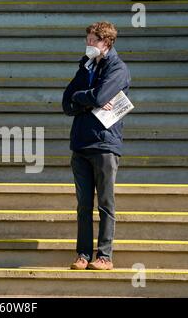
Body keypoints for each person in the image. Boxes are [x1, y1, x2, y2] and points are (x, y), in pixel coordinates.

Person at [62, 22, 131, 270]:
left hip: (104, 143)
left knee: (105, 202)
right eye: (87, 40)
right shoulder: (86, 65)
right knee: (83, 204)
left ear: (106, 42)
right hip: (80, 143)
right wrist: (86, 98)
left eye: (93, 41)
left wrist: (83, 97)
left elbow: (100, 97)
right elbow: (66, 102)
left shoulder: (118, 68)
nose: (88, 45)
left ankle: (104, 256)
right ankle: (83, 254)